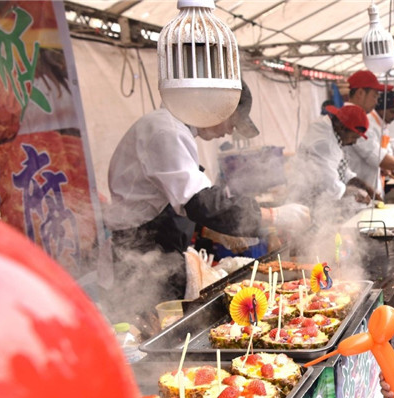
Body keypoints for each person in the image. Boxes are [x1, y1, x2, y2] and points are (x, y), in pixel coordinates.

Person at [105, 84, 310, 305]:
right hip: (140, 260)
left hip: (159, 251)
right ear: (216, 106)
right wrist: (274, 215)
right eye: (233, 121)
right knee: (154, 324)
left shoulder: (173, 130)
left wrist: (211, 231)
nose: (230, 131)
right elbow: (200, 201)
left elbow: (166, 200)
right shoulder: (166, 131)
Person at [287, 104, 376, 218]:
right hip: (305, 204)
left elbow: (344, 172)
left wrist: (367, 188)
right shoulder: (325, 143)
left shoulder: (334, 134)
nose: (354, 143)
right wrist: (355, 192)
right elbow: (330, 185)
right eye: (353, 137)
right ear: (342, 128)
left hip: (316, 202)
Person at [343, 70, 394, 199]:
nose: (376, 102)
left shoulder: (359, 118)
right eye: (374, 96)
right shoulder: (352, 120)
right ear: (360, 93)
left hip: (363, 190)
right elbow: (377, 157)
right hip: (356, 194)